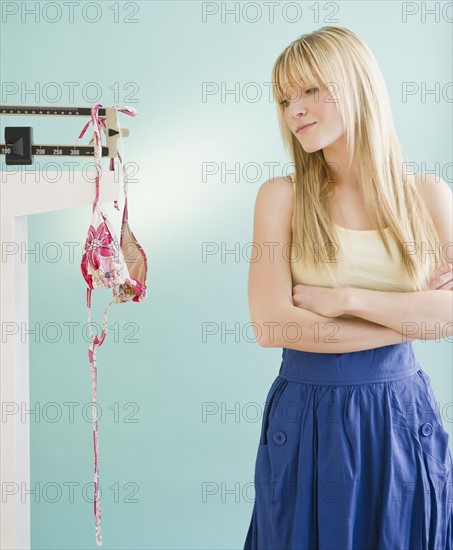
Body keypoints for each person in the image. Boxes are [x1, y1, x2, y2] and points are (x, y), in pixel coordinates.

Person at [243, 26, 453, 549]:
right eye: (285, 97)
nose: (295, 109)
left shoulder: (428, 195)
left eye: (311, 90)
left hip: (401, 416)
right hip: (309, 412)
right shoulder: (280, 198)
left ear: (357, 85)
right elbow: (272, 326)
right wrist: (411, 315)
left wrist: (348, 300)